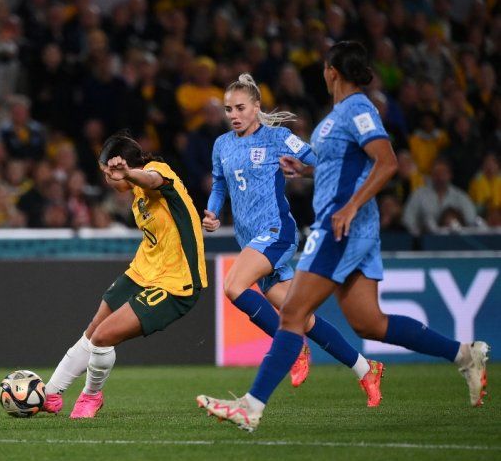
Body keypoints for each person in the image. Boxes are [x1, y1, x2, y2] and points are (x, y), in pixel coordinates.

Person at [198, 41, 489, 432]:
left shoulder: (357, 109)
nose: (321, 72)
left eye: (324, 66)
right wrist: (303, 173)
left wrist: (350, 208)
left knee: (292, 315)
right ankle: (463, 355)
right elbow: (337, 168)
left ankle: (251, 407)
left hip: (338, 227)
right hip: (343, 227)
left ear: (333, 71)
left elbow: (386, 163)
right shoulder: (336, 117)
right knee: (370, 324)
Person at [205, 73, 383, 405]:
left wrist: (309, 172)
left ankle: (291, 346)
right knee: (300, 316)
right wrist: (213, 211)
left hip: (276, 233)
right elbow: (219, 185)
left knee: (233, 285)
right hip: (251, 241)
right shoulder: (222, 145)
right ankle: (365, 368)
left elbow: (321, 161)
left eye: (240, 107)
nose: (233, 115)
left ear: (256, 107)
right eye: (228, 109)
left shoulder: (277, 138)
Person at [42, 132, 207, 418]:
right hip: (143, 271)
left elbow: (152, 179)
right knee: (94, 329)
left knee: (103, 338)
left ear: (128, 167)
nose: (108, 180)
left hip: (176, 282)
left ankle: (91, 396)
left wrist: (129, 173)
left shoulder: (160, 173)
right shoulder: (136, 198)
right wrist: (126, 176)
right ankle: (50, 393)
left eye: (110, 173)